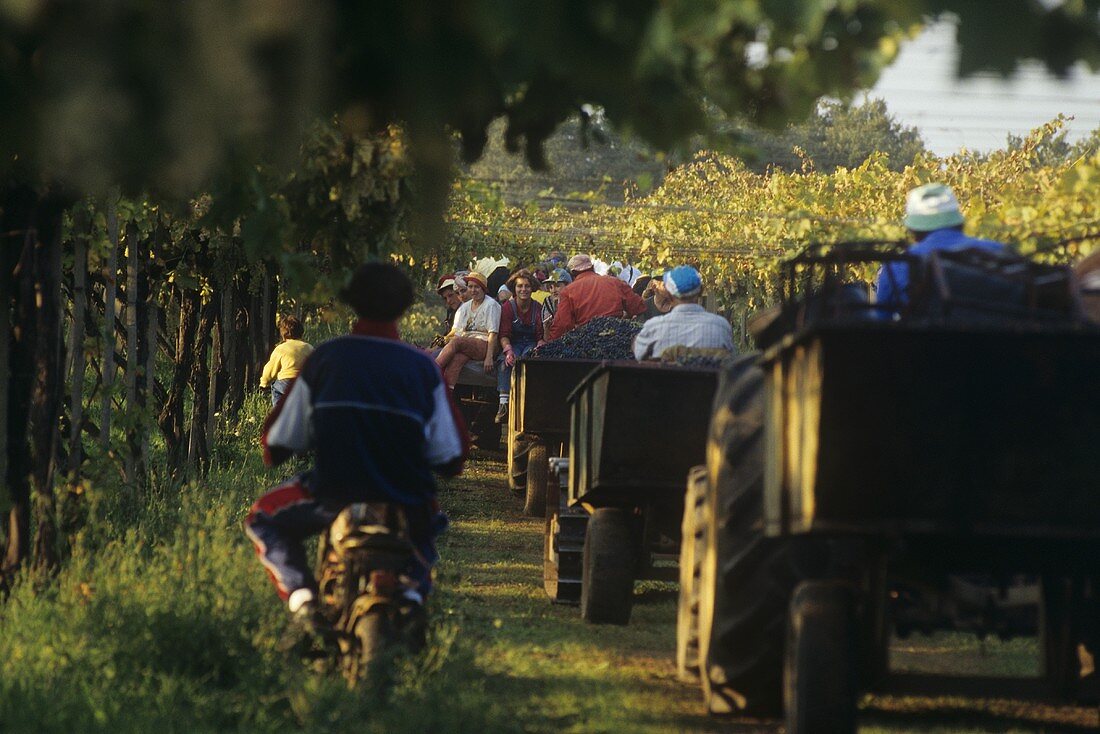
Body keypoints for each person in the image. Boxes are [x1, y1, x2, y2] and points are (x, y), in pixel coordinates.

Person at [245, 262, 468, 635]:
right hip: (406, 498)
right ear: (403, 307)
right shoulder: (423, 369)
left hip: (333, 493)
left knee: (262, 518)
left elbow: (276, 443)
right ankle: (412, 599)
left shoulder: (326, 360)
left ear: (353, 304)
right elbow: (452, 455)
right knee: (428, 531)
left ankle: (303, 601)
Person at [876, 182, 1007, 311]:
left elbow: (882, 320)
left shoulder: (898, 265)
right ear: (959, 222)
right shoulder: (1000, 252)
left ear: (914, 230)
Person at [633, 266, 734, 360]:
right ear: (701, 291)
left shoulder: (654, 327)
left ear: (669, 294)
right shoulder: (720, 326)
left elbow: (638, 354)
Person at [548, 254, 646, 340]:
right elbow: (638, 307)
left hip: (587, 340)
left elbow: (562, 325)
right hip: (616, 336)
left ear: (572, 272)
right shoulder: (615, 282)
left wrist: (550, 345)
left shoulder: (568, 291)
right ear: (592, 267)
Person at [494, 270, 545, 422]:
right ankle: (503, 406)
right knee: (504, 363)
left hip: (531, 343)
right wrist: (508, 350)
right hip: (513, 343)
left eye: (527, 286)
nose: (523, 289)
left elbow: (541, 335)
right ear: (514, 289)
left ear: (532, 288)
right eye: (520, 286)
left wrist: (541, 343)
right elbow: (503, 334)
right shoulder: (508, 308)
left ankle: (529, 405)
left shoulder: (538, 308)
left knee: (527, 362)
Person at [435, 271, 501, 386]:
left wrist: (489, 357)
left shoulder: (491, 305)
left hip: (487, 344)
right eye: (470, 287)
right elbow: (458, 333)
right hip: (468, 345)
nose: (473, 290)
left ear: (483, 289)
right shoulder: (465, 307)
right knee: (457, 359)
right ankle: (447, 395)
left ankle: (430, 371)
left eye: (477, 287)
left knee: (457, 342)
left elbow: (493, 334)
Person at [259, 316, 313, 407]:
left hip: (286, 382)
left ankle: (278, 414)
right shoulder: (309, 347)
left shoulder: (281, 349)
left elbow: (270, 369)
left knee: (275, 387)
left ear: (283, 333)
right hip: (304, 383)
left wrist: (264, 383)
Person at [541, 268, 571, 333]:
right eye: (551, 287)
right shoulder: (548, 301)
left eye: (557, 286)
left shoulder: (573, 300)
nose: (553, 291)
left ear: (567, 286)